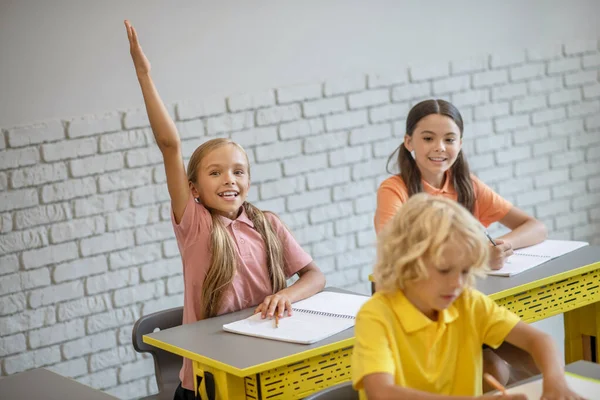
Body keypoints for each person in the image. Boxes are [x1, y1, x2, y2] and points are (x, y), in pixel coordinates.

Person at [124, 20, 326, 399]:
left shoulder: (267, 224)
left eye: (238, 171)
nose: (229, 180)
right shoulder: (195, 224)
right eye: (215, 173)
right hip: (208, 379)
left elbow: (315, 276)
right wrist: (144, 74)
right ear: (193, 188)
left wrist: (288, 296)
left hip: (264, 365)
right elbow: (170, 145)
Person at [374, 99, 547, 388]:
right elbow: (395, 249)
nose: (439, 147)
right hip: (418, 306)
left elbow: (535, 227)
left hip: (464, 300)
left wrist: (501, 245)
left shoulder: (467, 184)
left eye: (449, 139)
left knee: (528, 357)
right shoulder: (395, 189)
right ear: (409, 142)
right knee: (492, 370)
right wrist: (477, 257)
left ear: (460, 143)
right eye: (428, 138)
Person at [352, 194, 581, 400]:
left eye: (465, 271)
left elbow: (539, 340)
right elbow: (382, 393)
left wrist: (555, 380)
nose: (457, 283)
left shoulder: (468, 302)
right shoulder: (376, 316)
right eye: (444, 270)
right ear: (407, 265)